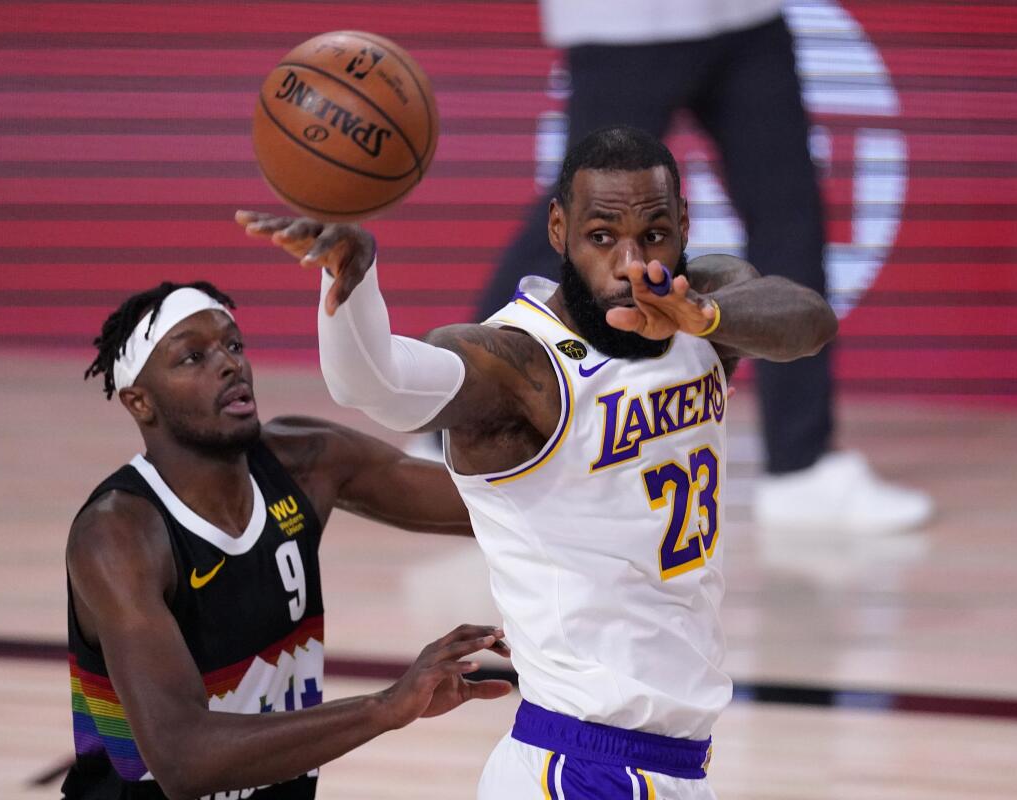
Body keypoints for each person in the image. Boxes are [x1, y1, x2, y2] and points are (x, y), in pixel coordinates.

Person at [241, 126, 837, 798]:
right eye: (602, 236)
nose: (631, 264)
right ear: (559, 230)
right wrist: (352, 280)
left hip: (672, 764)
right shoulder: (521, 365)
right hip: (580, 764)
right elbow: (375, 383)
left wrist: (701, 316)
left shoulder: (705, 307)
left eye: (655, 235)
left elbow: (809, 320)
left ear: (684, 228)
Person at [478, 0, 932, 534]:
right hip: (627, 22)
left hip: (746, 16)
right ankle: (464, 406)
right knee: (582, 220)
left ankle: (802, 468)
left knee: (790, 213)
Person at [65, 281, 511, 800]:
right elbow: (184, 758)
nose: (230, 364)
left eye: (233, 345)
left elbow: (490, 508)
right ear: (140, 402)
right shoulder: (119, 535)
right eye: (193, 357)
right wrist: (386, 706)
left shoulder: (303, 462)